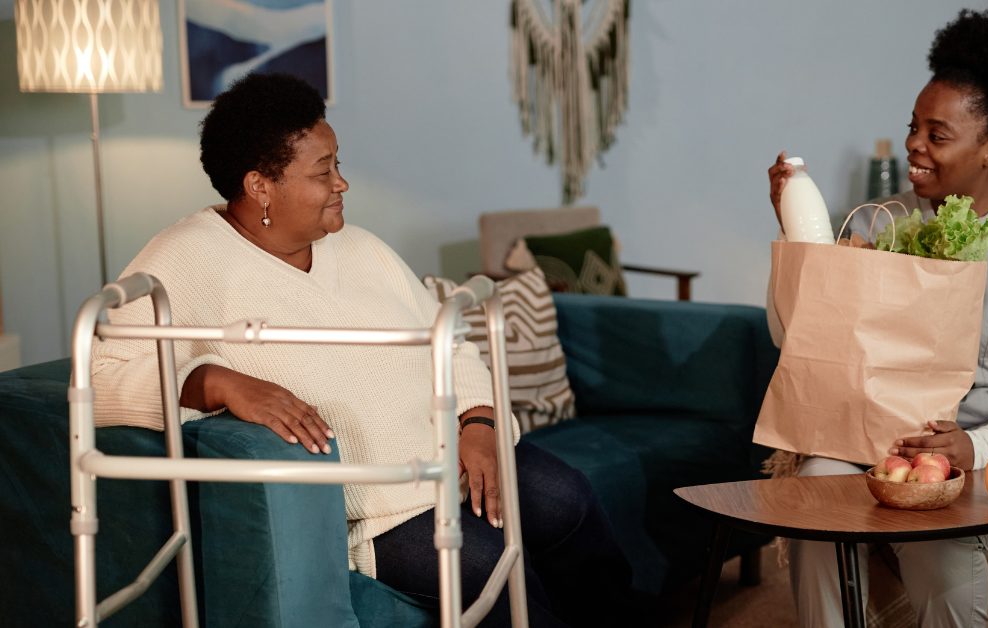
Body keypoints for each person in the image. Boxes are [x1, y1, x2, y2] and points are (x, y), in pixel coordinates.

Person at [91, 73, 631, 628]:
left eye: (338, 164)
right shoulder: (184, 257)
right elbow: (101, 375)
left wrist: (480, 423)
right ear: (260, 187)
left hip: (453, 459)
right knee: (487, 565)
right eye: (323, 172)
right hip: (378, 511)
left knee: (570, 499)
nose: (342, 183)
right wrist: (218, 382)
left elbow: (453, 344)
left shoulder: (362, 248)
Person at [764, 8, 988, 628]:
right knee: (813, 499)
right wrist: (791, 235)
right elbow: (797, 342)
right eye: (913, 127)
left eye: (937, 135)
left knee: (937, 534)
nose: (914, 144)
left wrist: (975, 445)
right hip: (882, 433)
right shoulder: (873, 223)